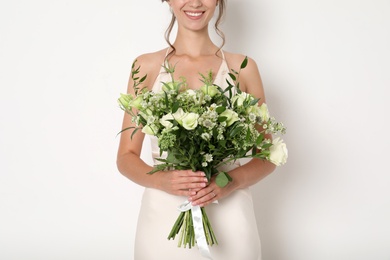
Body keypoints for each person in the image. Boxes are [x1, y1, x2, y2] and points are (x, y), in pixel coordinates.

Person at [117, 0, 276, 259]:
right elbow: (125, 157)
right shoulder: (145, 67)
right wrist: (161, 179)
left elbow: (267, 155)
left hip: (231, 214)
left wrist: (230, 182)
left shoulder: (243, 67)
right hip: (163, 216)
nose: (195, 2)